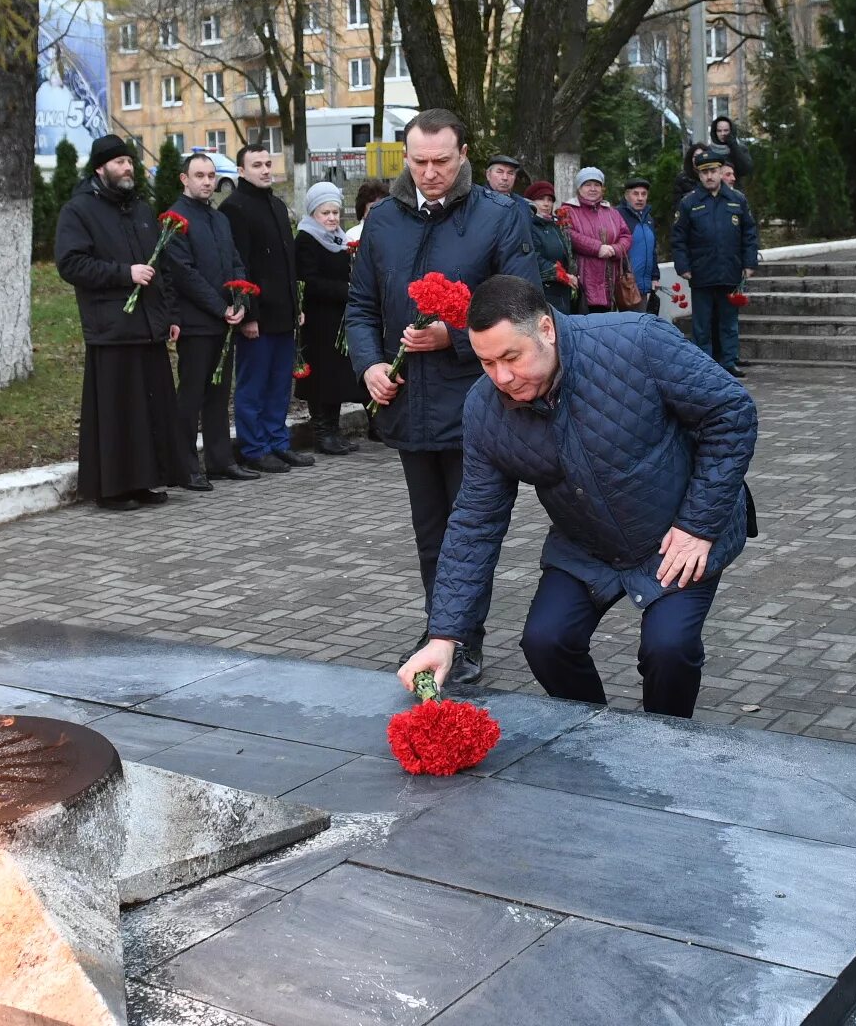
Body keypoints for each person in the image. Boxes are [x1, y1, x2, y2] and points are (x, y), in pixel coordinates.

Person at [397, 275, 757, 718]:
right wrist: (444, 636)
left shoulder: (637, 342)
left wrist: (698, 525)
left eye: (511, 356)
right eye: (486, 362)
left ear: (546, 329)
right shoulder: (483, 409)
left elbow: (731, 413)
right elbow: (475, 520)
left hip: (675, 528)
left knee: (669, 649)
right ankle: (594, 734)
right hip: (586, 538)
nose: (502, 377)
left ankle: (666, 744)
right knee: (546, 642)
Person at [345, 107, 542, 684]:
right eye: (419, 161)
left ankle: (464, 639)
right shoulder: (383, 222)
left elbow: (525, 307)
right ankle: (442, 631)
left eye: (442, 161)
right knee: (431, 530)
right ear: (405, 158)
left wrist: (453, 338)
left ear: (463, 157)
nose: (431, 172)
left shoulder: (500, 216)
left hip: (478, 401)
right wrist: (370, 365)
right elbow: (361, 308)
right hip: (409, 405)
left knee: (469, 528)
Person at [55, 134, 185, 511]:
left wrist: (170, 315)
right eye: (119, 163)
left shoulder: (141, 210)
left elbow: (160, 267)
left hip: (148, 328)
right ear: (100, 168)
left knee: (149, 412)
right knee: (118, 413)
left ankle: (145, 481)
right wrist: (122, 273)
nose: (127, 168)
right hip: (111, 328)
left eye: (130, 161)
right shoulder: (78, 211)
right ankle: (112, 489)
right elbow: (71, 264)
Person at [163, 152, 260, 491]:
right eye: (199, 175)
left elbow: (235, 262)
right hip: (196, 323)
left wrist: (239, 300)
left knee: (219, 395)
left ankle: (221, 461)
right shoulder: (176, 219)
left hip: (225, 321)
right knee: (191, 396)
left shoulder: (219, 219)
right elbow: (184, 274)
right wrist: (220, 308)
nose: (207, 182)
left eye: (210, 176)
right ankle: (184, 466)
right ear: (184, 179)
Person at [219, 143, 313, 474]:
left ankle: (277, 442)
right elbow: (239, 266)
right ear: (241, 171)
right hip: (257, 317)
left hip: (284, 313)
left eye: (268, 163)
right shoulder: (235, 208)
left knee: (278, 385)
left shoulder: (274, 204)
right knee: (253, 385)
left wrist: (295, 306)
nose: (265, 169)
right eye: (256, 164)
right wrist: (249, 314)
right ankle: (254, 446)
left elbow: (286, 263)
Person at [672, 145, 758, 379]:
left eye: (713, 171)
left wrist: (749, 263)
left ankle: (728, 362)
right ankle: (704, 365)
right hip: (701, 273)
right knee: (702, 325)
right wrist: (684, 266)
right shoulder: (689, 203)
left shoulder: (737, 200)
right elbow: (679, 238)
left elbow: (749, 233)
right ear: (698, 175)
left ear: (721, 172)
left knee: (729, 323)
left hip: (730, 271)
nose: (709, 176)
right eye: (704, 172)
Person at [294, 181, 365, 456]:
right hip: (317, 320)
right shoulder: (306, 239)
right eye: (326, 213)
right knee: (320, 379)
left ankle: (334, 431)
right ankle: (322, 433)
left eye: (336, 212)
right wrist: (344, 290)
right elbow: (308, 280)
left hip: (338, 318)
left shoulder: (340, 239)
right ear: (313, 213)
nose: (332, 218)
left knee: (335, 378)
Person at [561, 167, 631, 313]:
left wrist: (615, 249)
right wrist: (597, 248)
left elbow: (626, 235)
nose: (593, 189)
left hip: (611, 281)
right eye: (587, 184)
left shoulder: (611, 212)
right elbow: (567, 233)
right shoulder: (567, 210)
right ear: (579, 188)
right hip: (583, 280)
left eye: (597, 184)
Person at [523, 180, 577, 314]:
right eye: (541, 199)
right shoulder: (529, 225)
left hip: (562, 291)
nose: (546, 204)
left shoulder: (555, 225)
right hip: (543, 290)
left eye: (550, 199)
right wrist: (562, 275)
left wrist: (573, 274)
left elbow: (567, 254)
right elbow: (534, 257)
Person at [616, 177, 661, 316]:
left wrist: (655, 277)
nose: (640, 198)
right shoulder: (617, 216)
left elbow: (652, 250)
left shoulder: (648, 219)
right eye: (636, 194)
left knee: (641, 325)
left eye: (644, 194)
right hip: (625, 286)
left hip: (644, 286)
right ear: (626, 195)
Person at [346, 179, 391, 245]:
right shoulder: (352, 236)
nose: (377, 213)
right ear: (362, 209)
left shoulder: (394, 233)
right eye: (372, 208)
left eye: (381, 208)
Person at [710, 116, 753, 181]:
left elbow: (745, 170)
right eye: (719, 131)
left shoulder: (741, 148)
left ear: (731, 131)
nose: (723, 134)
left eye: (726, 130)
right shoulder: (709, 150)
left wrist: (733, 146)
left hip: (735, 186)